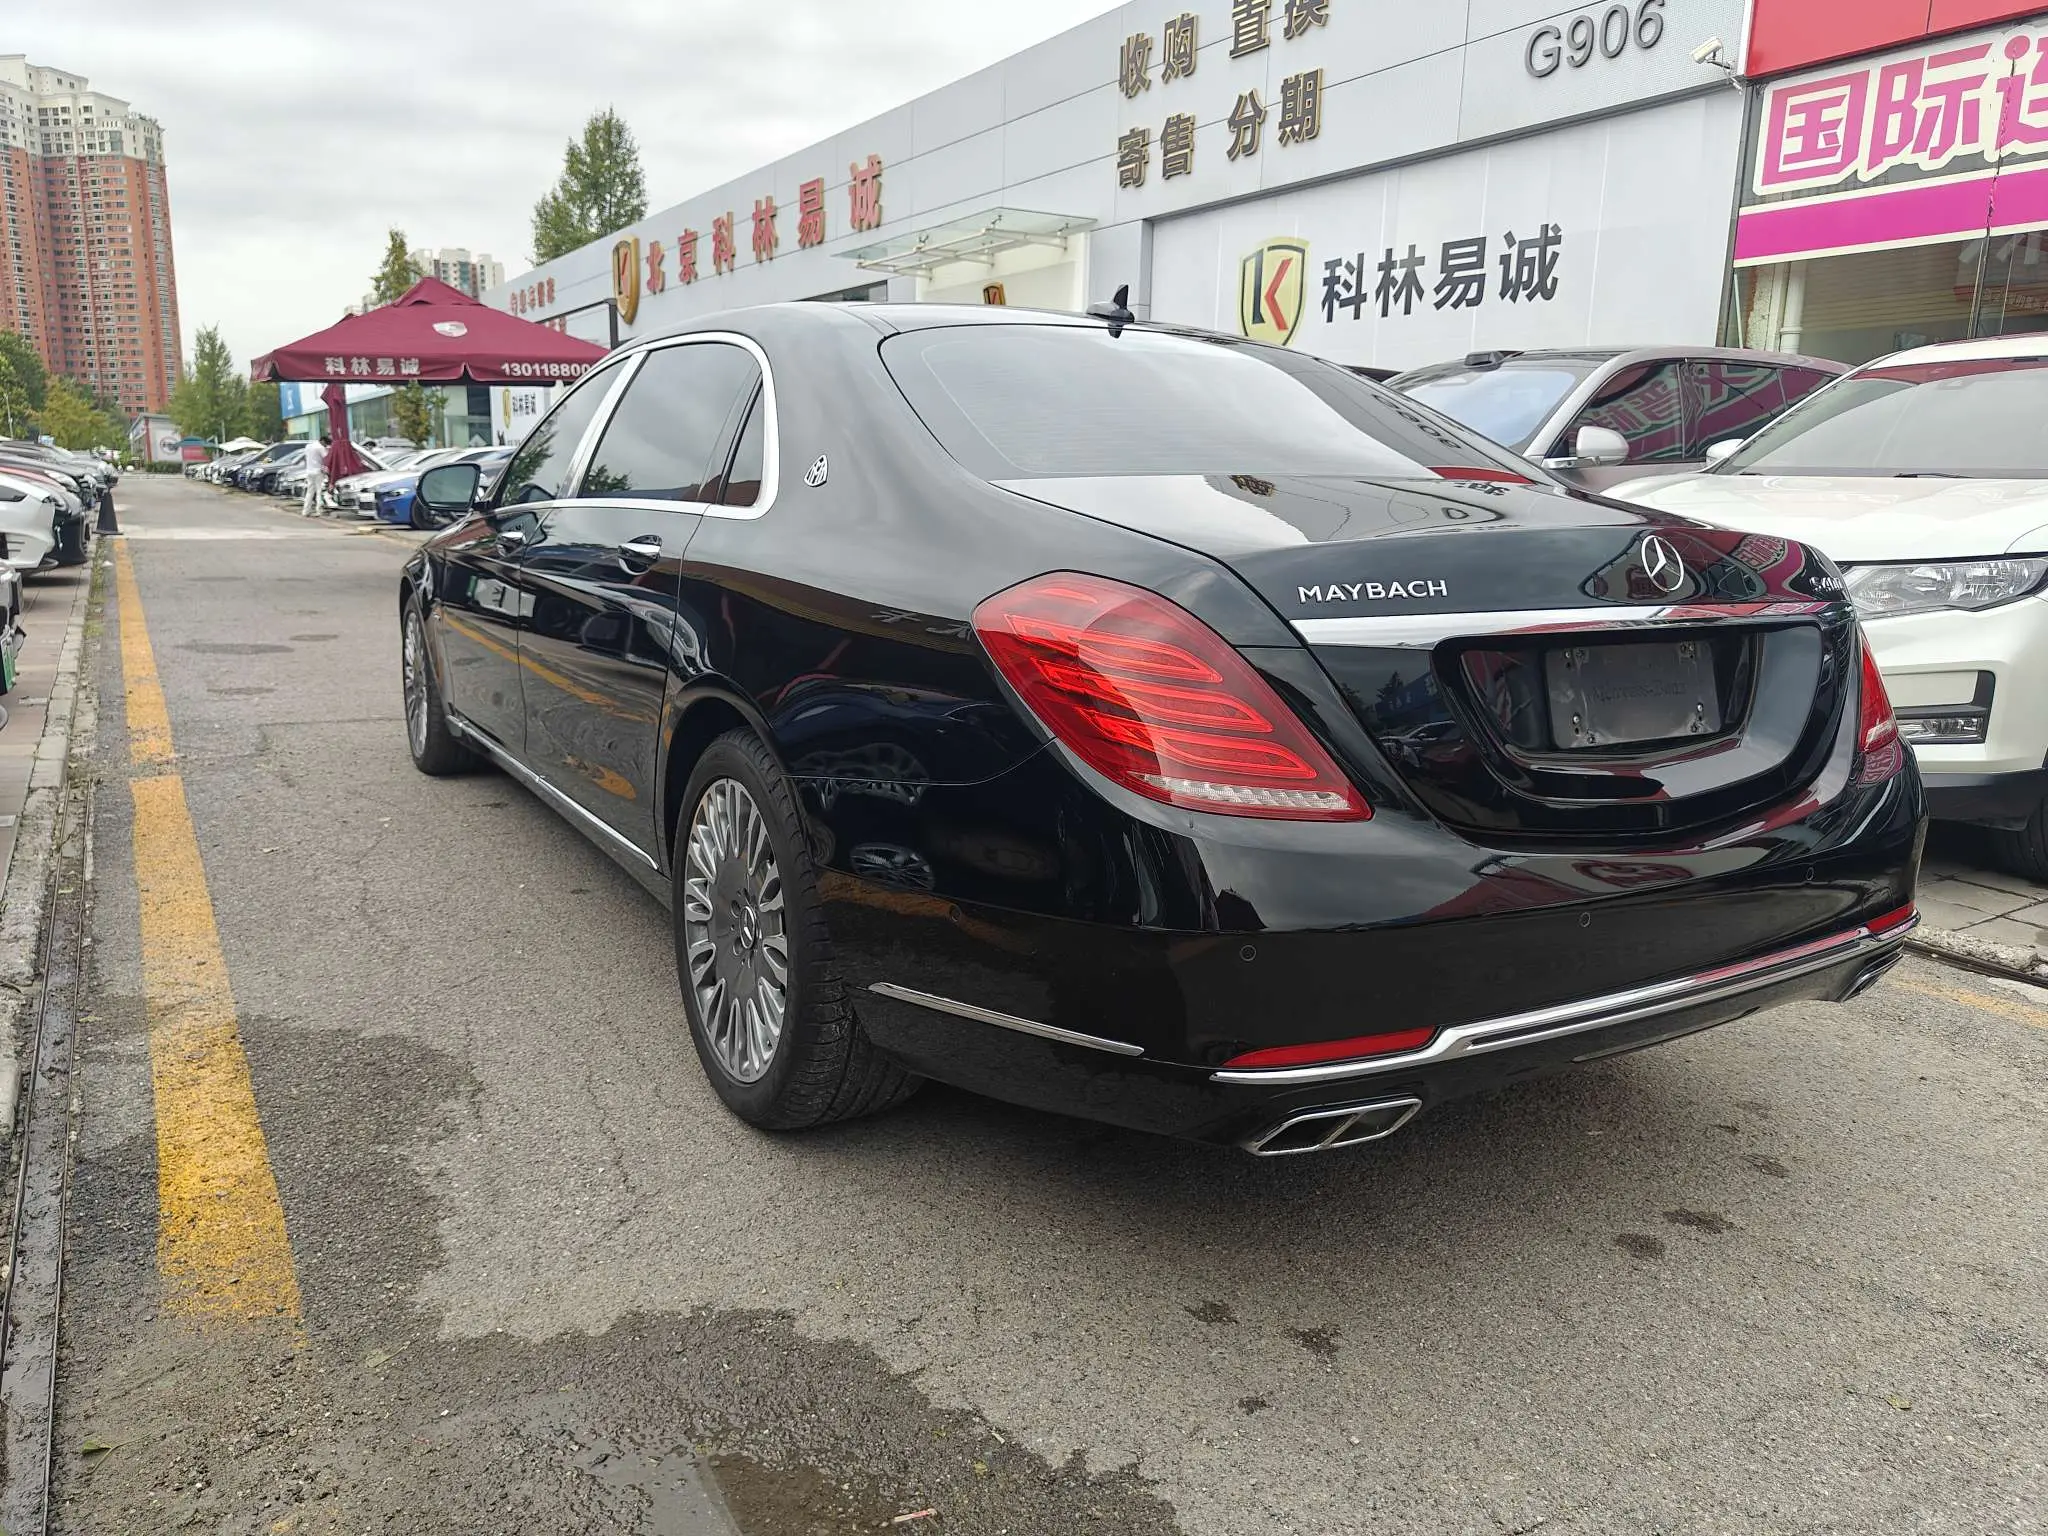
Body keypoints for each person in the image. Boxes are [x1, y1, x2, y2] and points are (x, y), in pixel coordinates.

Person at [300, 433, 330, 517]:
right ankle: (319, 510)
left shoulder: (308, 446)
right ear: (323, 441)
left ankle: (306, 511)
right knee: (319, 491)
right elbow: (326, 457)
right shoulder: (320, 448)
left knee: (309, 492)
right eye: (325, 444)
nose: (325, 445)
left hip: (309, 471)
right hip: (318, 471)